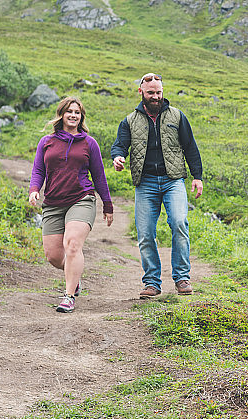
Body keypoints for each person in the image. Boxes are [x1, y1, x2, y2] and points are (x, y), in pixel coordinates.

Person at [111, 73, 203, 299]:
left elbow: (190, 146)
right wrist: (118, 157)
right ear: (141, 92)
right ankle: (152, 282)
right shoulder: (129, 121)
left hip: (174, 180)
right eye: (151, 92)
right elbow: (120, 145)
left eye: (159, 92)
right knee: (145, 234)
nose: (155, 97)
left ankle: (182, 278)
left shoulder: (177, 116)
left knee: (179, 223)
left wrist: (197, 176)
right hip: (145, 183)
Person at [28, 96, 114, 313]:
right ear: (62, 114)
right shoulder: (46, 142)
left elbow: (99, 176)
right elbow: (38, 170)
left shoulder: (89, 143)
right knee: (54, 256)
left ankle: (68, 296)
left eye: (77, 112)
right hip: (53, 202)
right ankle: (74, 278)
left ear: (81, 117)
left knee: (73, 244)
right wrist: (34, 189)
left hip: (81, 199)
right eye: (69, 111)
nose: (73, 115)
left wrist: (107, 205)